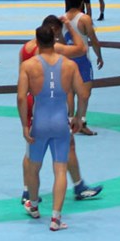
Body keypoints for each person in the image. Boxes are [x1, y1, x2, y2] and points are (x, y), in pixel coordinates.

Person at [19, 16, 102, 205]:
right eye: (57, 33)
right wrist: (70, 27)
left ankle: (28, 190)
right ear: (53, 31)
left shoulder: (25, 49)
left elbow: (22, 87)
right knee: (66, 146)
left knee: (31, 149)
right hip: (49, 105)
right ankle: (77, 187)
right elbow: (81, 49)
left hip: (33, 101)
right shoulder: (53, 50)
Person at [63, 0, 104, 136]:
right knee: (85, 93)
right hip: (82, 60)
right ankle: (81, 121)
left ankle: (70, 121)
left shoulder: (62, 18)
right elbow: (94, 40)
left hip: (67, 60)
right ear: (82, 2)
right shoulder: (84, 19)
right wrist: (99, 56)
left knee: (70, 92)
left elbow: (60, 41)